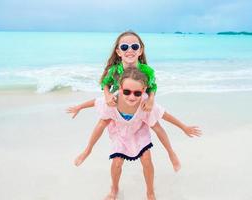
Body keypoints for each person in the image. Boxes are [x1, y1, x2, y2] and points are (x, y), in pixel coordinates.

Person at [67, 31, 199, 172]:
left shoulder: (147, 71)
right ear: (118, 51)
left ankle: (171, 153)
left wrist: (151, 100)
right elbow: (105, 83)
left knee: (156, 125)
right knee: (103, 121)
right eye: (124, 47)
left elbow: (153, 87)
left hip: (140, 103)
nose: (130, 50)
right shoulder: (114, 70)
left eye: (134, 46)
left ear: (140, 50)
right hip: (118, 104)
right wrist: (106, 96)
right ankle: (88, 150)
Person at [74, 68, 202, 200]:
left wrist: (184, 128)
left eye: (137, 93)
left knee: (147, 158)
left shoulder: (145, 103)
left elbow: (163, 118)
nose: (131, 97)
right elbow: (96, 103)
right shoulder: (113, 101)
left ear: (144, 89)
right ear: (120, 87)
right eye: (127, 92)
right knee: (117, 162)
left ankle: (150, 191)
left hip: (139, 131)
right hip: (120, 132)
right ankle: (114, 188)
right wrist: (79, 107)